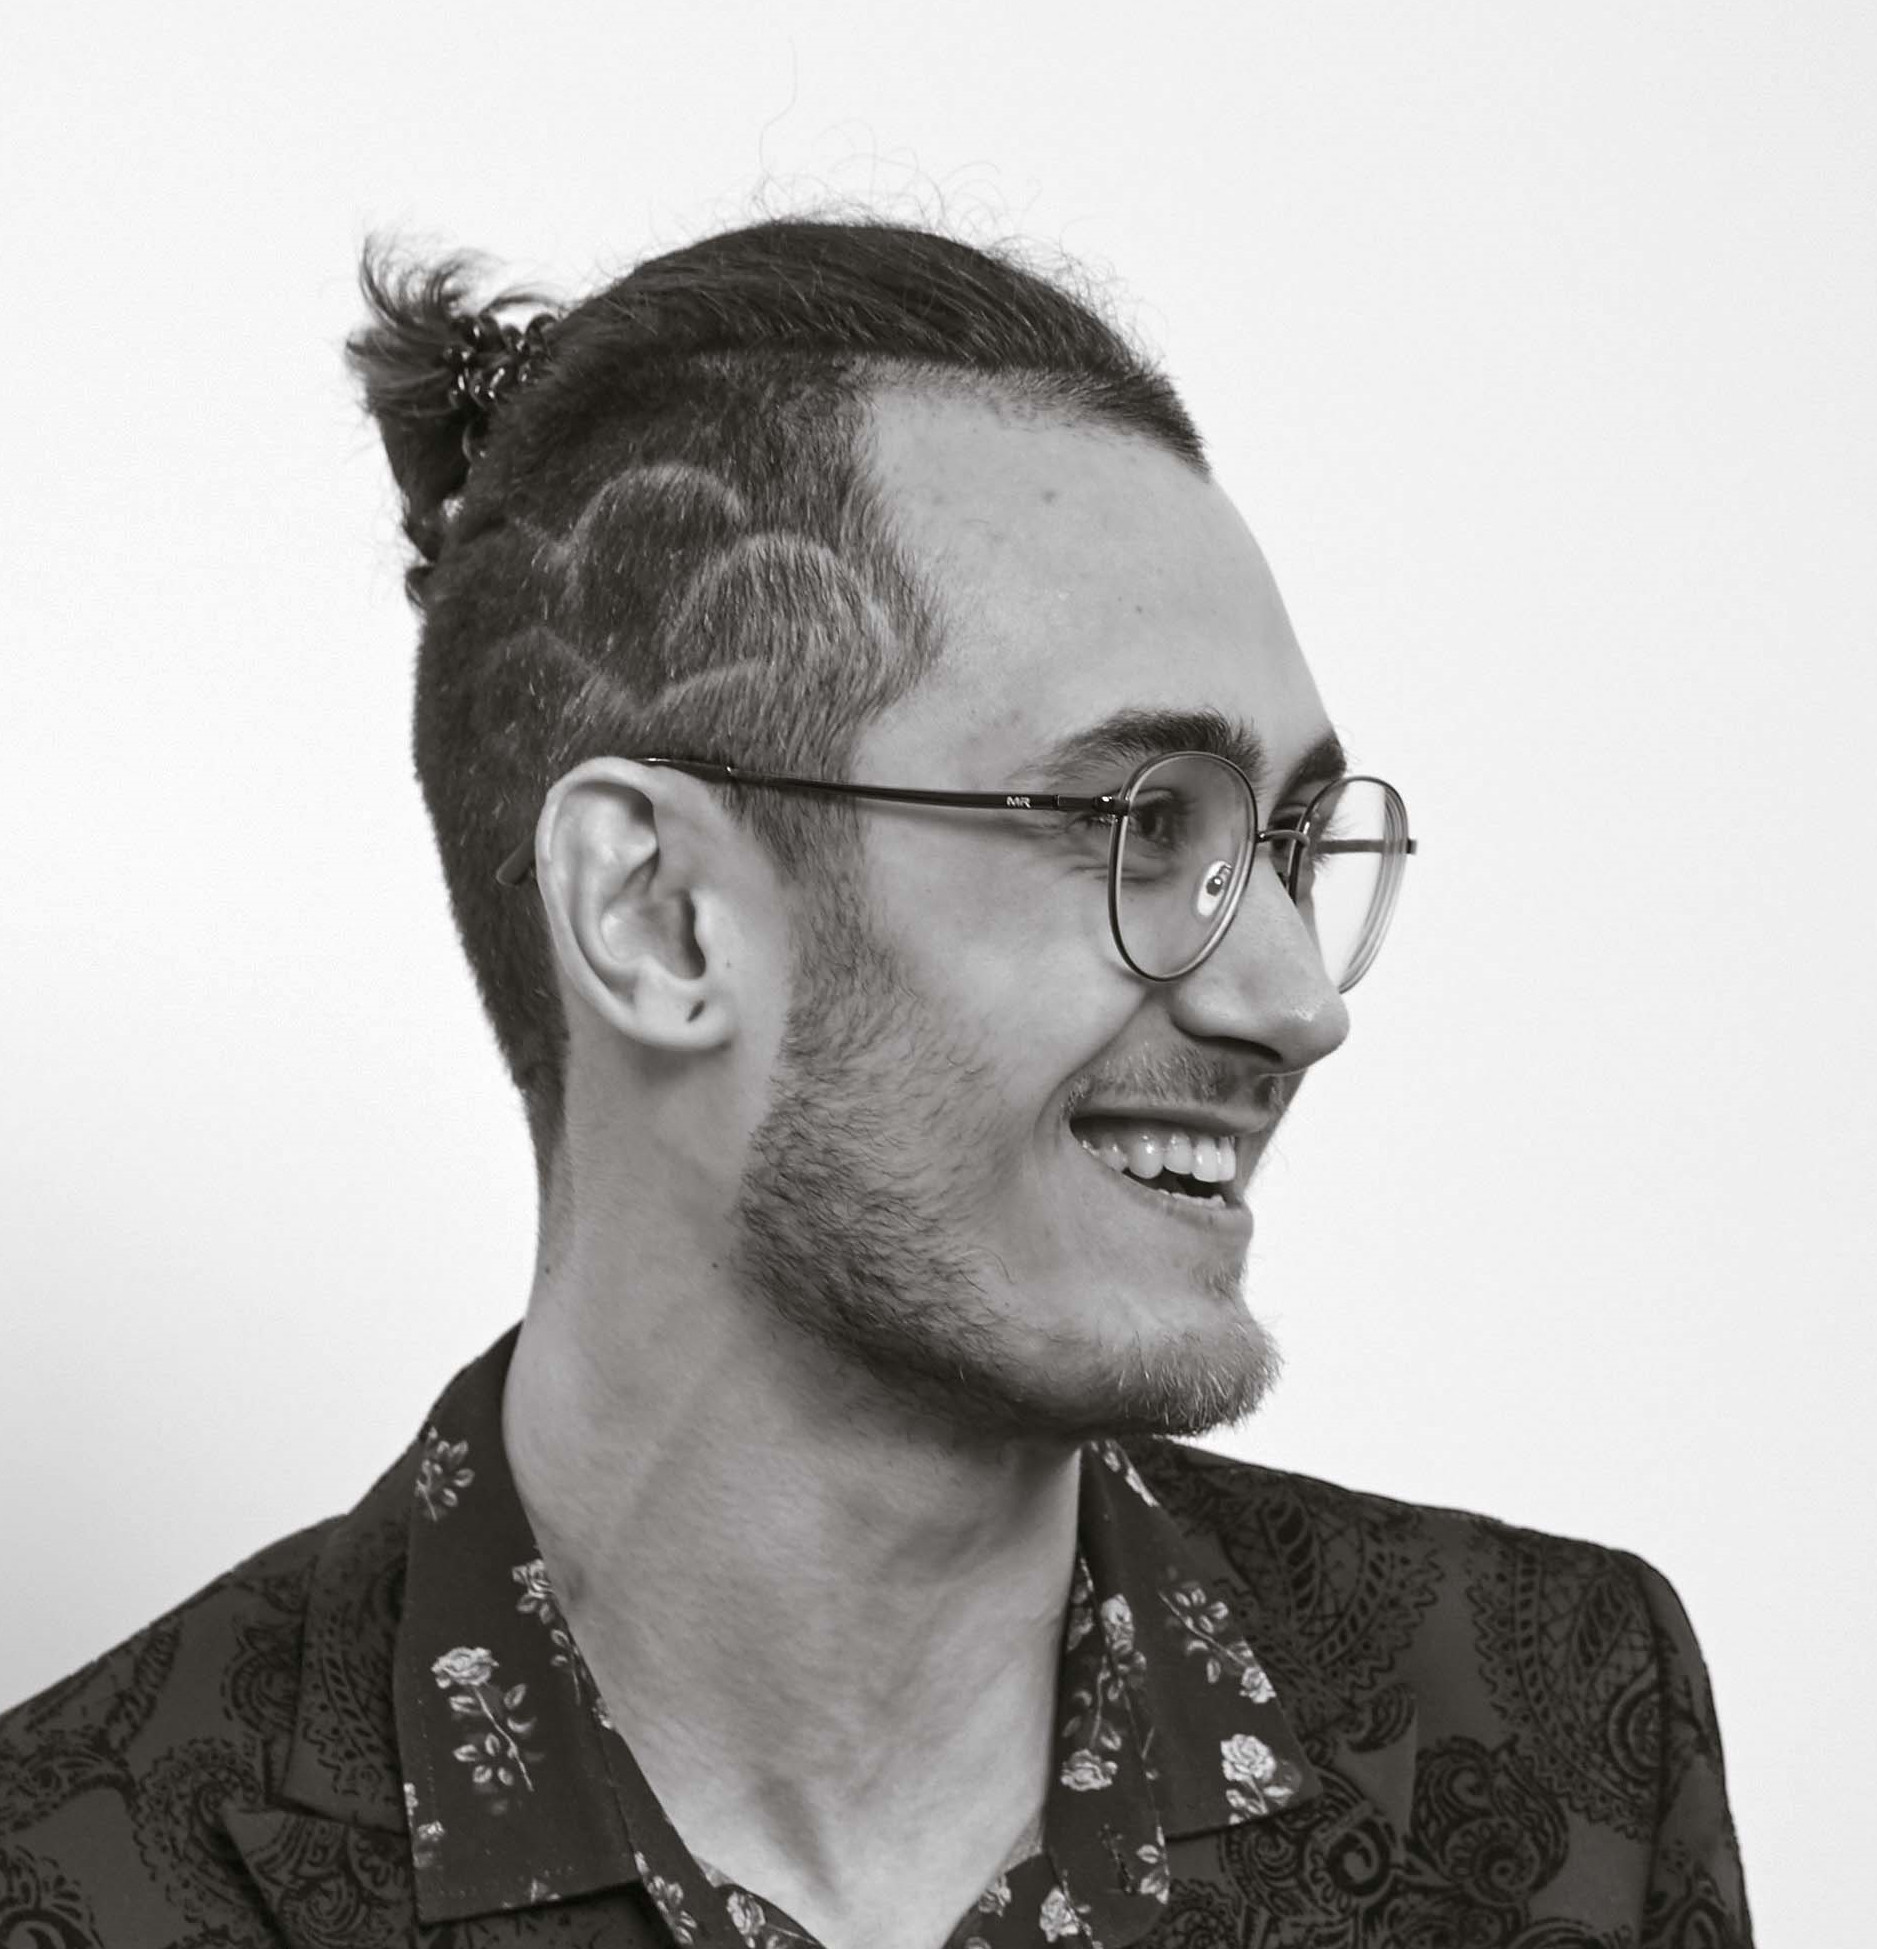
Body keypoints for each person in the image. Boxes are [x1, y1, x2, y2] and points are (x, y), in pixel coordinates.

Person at [0, 214, 1751, 1949]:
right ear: (658, 916)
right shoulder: (78, 1880)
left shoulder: (1551, 1750)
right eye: (1139, 824)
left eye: (1288, 842)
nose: (1294, 999)